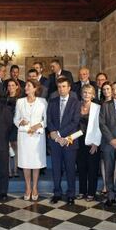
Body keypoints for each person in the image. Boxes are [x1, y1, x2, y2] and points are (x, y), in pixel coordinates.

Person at [47, 77, 81, 205]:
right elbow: (49, 120)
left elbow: (75, 122)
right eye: (59, 87)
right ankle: (57, 193)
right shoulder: (53, 101)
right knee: (56, 168)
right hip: (55, 142)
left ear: (69, 88)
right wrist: (55, 135)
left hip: (69, 141)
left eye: (64, 86)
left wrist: (60, 134)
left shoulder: (76, 102)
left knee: (70, 168)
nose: (61, 89)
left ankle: (71, 194)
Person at [14, 79, 47, 201]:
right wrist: (20, 122)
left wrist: (38, 126)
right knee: (26, 163)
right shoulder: (20, 102)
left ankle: (35, 187)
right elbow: (15, 119)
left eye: (29, 86)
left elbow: (46, 120)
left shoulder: (42, 102)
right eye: (26, 86)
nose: (26, 88)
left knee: (36, 163)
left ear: (35, 88)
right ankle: (27, 187)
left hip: (37, 136)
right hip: (24, 136)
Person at [76, 84, 102, 202]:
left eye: (89, 92)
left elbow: (100, 127)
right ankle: (82, 191)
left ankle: (91, 192)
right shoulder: (77, 106)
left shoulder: (98, 107)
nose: (86, 94)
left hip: (92, 142)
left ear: (93, 95)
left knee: (92, 168)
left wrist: (96, 143)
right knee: (81, 167)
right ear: (82, 94)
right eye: (84, 92)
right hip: (78, 141)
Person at [6, 79, 21, 178]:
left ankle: (15, 170)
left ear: (16, 87)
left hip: (16, 126)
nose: (11, 87)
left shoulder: (20, 99)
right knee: (7, 148)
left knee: (16, 149)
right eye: (9, 85)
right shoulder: (4, 99)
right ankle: (8, 171)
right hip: (6, 126)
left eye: (12, 85)